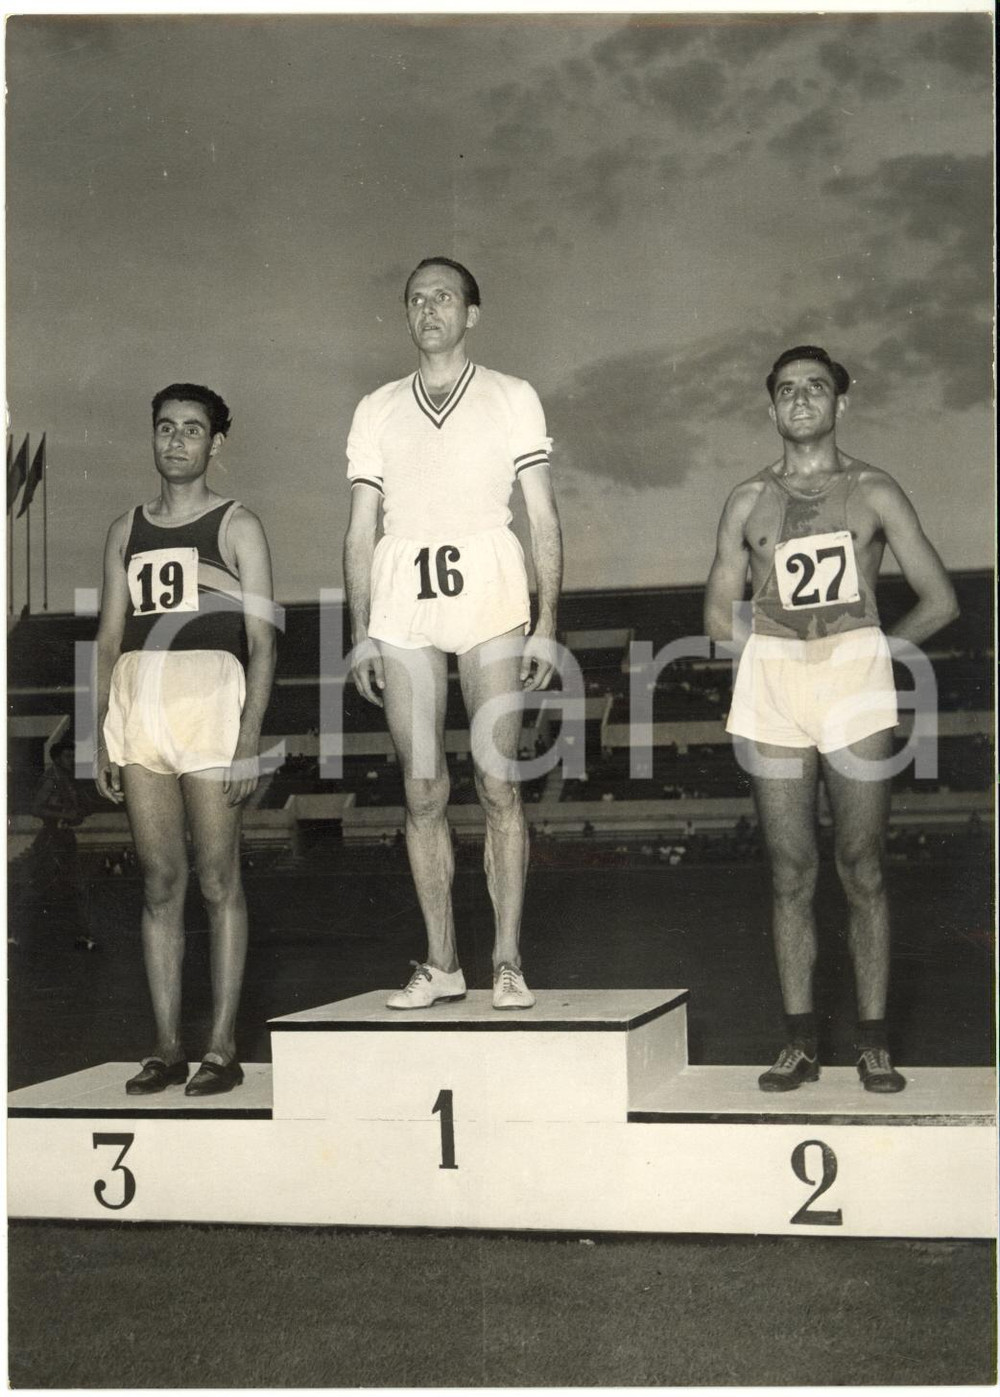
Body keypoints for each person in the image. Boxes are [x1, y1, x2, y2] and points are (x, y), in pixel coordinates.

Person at [704, 346, 958, 1094]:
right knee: (788, 871)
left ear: (840, 402)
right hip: (774, 683)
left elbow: (940, 597)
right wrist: (778, 654)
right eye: (787, 390)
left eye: (817, 387)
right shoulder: (746, 499)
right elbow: (718, 616)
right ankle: (800, 1043)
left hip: (857, 678)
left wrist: (871, 650)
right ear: (772, 407)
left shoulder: (875, 490)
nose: (802, 399)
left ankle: (873, 1042)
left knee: (862, 864)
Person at [344, 257, 562, 1010]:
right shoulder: (376, 407)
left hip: (491, 583)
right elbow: (360, 527)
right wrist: (363, 629)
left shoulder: (510, 396)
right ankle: (441, 961)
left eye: (444, 296)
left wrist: (547, 621)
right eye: (415, 298)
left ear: (472, 313)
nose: (428, 307)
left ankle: (506, 959)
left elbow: (543, 516)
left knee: (498, 780)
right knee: (421, 787)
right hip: (403, 588)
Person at [95, 384, 276, 1095]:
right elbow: (109, 639)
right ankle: (167, 1045)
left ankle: (222, 1047)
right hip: (143, 700)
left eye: (192, 430)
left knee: (217, 877)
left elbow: (262, 642)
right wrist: (101, 732)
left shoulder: (239, 526)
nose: (176, 441)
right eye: (165, 428)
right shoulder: (124, 529)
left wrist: (249, 736)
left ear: (215, 444)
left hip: (211, 701)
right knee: (160, 880)